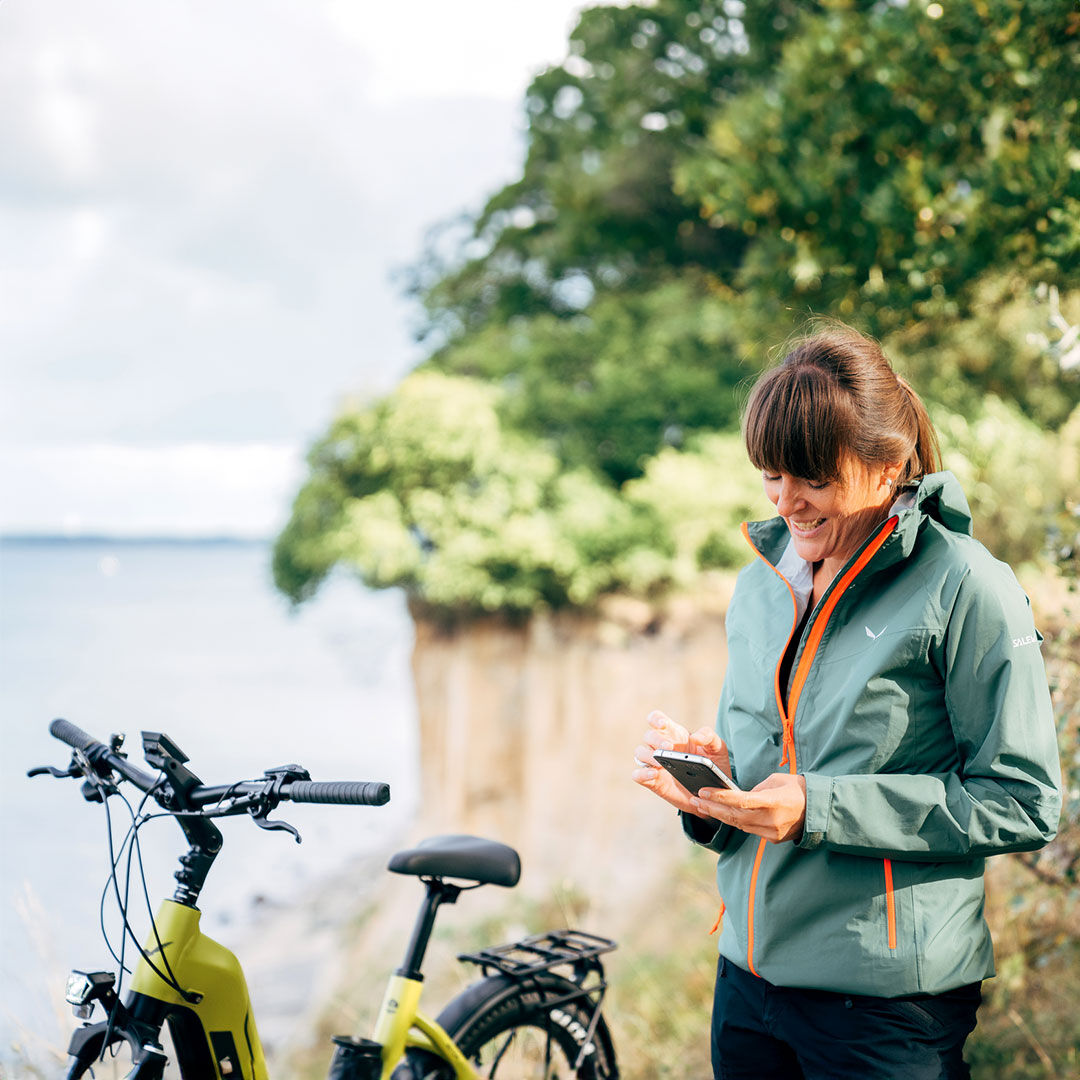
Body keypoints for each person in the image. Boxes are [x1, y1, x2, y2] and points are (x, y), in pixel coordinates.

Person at [632, 325, 1062, 1080]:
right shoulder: (760, 586)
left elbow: (1024, 802)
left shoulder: (967, 587)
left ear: (888, 466)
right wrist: (714, 793)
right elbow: (777, 778)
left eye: (812, 479)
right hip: (747, 987)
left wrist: (819, 808)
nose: (787, 501)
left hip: (885, 1010)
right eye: (770, 475)